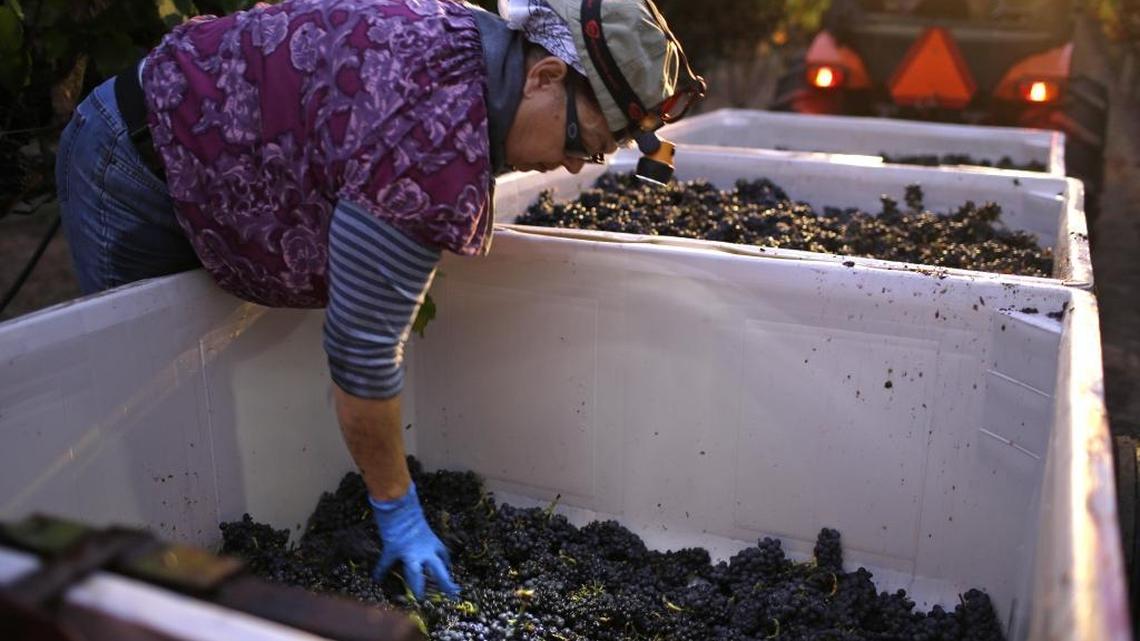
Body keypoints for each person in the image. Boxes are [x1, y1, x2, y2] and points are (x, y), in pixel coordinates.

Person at [55, 0, 704, 599]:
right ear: (544, 76)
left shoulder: (473, 46)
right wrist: (398, 508)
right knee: (151, 425)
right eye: (577, 145)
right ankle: (143, 595)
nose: (568, 167)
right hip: (135, 163)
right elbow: (362, 355)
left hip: (201, 156)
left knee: (186, 421)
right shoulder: (432, 143)